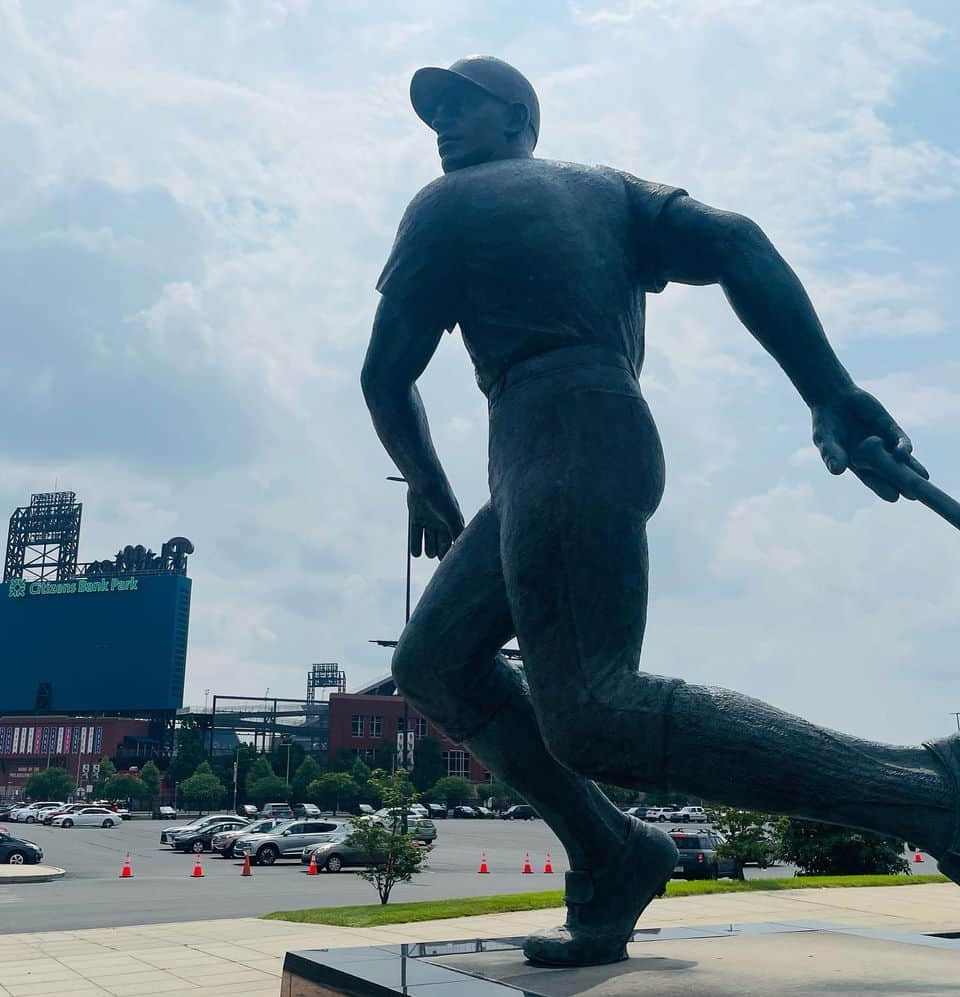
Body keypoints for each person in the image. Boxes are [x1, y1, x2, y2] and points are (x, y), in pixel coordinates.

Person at [362, 55, 958, 967]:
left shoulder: (447, 206)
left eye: (462, 108)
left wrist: (431, 487)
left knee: (596, 711)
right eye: (432, 112)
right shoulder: (611, 189)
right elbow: (738, 243)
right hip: (572, 440)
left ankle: (927, 790)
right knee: (436, 663)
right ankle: (614, 847)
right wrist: (828, 391)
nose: (440, 125)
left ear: (520, 117)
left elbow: (383, 374)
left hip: (558, 432)